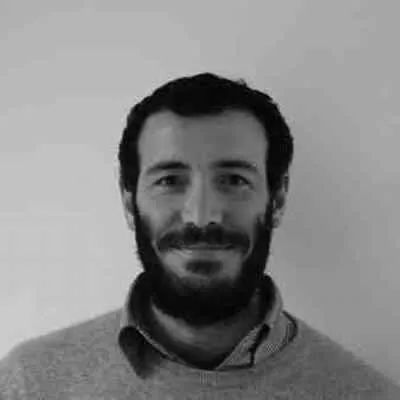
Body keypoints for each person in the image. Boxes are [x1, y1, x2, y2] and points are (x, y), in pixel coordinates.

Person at [1, 73, 399, 399]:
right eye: (170, 181)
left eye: (234, 180)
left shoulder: (366, 394)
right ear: (128, 202)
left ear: (277, 200)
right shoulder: (29, 384)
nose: (202, 215)